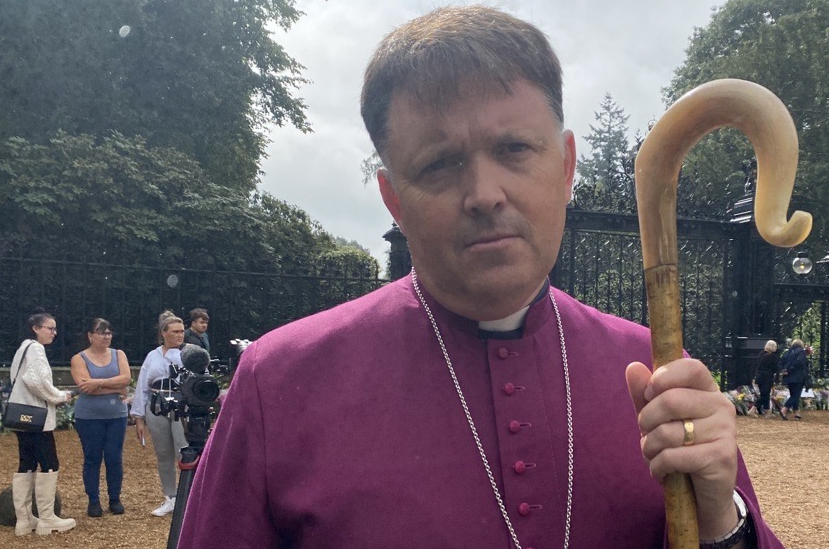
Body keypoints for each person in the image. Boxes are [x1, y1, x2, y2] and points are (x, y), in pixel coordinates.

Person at [179, 7, 782, 548]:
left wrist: (720, 523)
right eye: (440, 163)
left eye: (515, 149)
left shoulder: (654, 368)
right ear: (393, 198)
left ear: (567, 166)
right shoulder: (281, 383)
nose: (485, 194)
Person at [8, 312, 77, 536]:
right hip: (37, 418)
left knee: (26, 463)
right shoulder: (36, 349)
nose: (54, 333)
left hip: (21, 416)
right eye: (50, 328)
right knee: (49, 463)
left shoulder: (23, 348)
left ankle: (24, 520)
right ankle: (47, 518)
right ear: (36, 328)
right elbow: (36, 381)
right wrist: (59, 395)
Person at [69, 318, 132, 516]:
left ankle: (115, 498)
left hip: (116, 415)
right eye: (102, 332)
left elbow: (127, 379)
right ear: (90, 335)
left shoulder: (118, 354)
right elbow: (85, 388)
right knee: (92, 458)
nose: (107, 336)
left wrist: (99, 382)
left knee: (114, 457)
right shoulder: (79, 358)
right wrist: (117, 388)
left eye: (109, 332)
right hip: (89, 417)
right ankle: (93, 500)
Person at [131, 311, 187, 516]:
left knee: (185, 451)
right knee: (163, 454)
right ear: (164, 333)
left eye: (182, 331)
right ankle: (170, 497)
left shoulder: (189, 353)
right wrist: (138, 417)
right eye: (175, 332)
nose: (180, 335)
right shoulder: (152, 356)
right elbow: (142, 387)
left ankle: (188, 497)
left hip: (181, 405)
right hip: (156, 405)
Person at [778, 339, 808, 420]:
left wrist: (784, 370)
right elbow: (799, 363)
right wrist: (790, 370)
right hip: (797, 376)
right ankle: (784, 409)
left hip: (788, 377)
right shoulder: (801, 352)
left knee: (793, 395)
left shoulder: (787, 352)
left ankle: (796, 413)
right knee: (796, 395)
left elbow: (780, 362)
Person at [753, 340, 779, 418]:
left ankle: (768, 412)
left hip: (759, 376)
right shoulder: (772, 356)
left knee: (765, 394)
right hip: (767, 377)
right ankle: (752, 409)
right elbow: (775, 368)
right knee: (765, 395)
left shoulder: (761, 354)